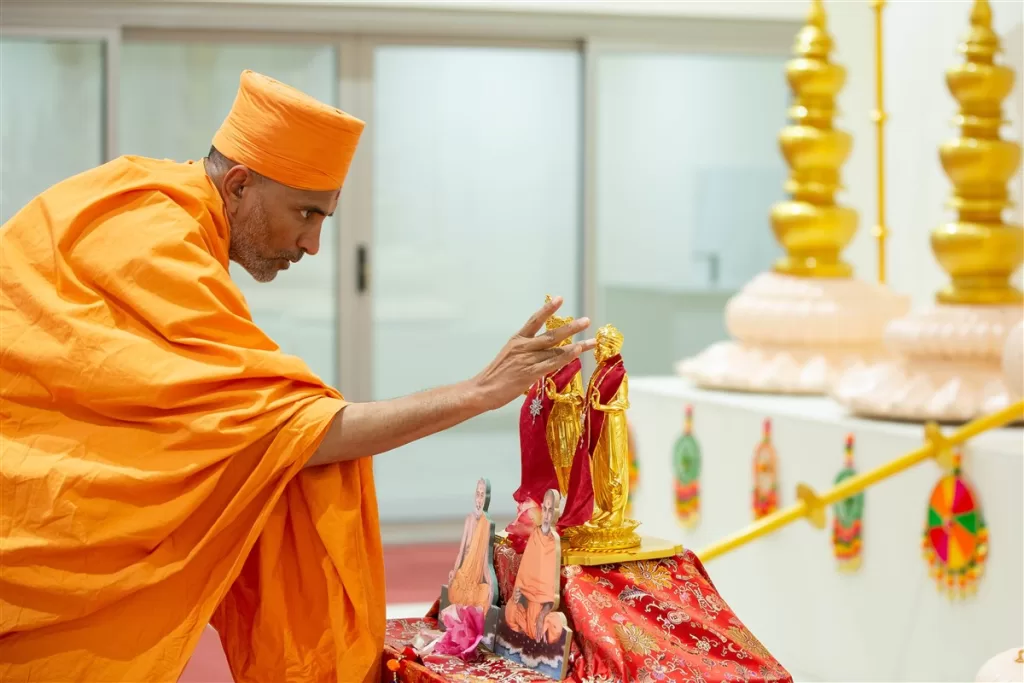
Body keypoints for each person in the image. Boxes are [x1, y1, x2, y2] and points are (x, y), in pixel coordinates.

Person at [0, 70, 594, 683]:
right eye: (306, 213)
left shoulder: (134, 192)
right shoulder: (156, 243)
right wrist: (478, 393)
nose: (311, 243)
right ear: (238, 183)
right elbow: (300, 435)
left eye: (324, 219)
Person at [503, 489, 566, 644]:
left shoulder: (554, 541)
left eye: (551, 511)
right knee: (510, 612)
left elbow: (550, 587)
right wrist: (518, 596)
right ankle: (529, 638)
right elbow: (525, 572)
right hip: (527, 602)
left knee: (555, 625)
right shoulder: (534, 535)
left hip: (542, 606)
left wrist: (543, 613)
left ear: (555, 514)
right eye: (545, 509)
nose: (546, 515)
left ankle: (540, 642)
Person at [446, 479, 496, 613]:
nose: (479, 500)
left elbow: (486, 561)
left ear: (487, 499)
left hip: (475, 581)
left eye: (482, 495)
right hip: (463, 576)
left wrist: (492, 583)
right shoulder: (469, 519)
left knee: (485, 592)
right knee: (454, 589)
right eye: (477, 494)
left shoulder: (487, 524)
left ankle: (467, 611)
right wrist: (454, 572)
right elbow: (461, 552)